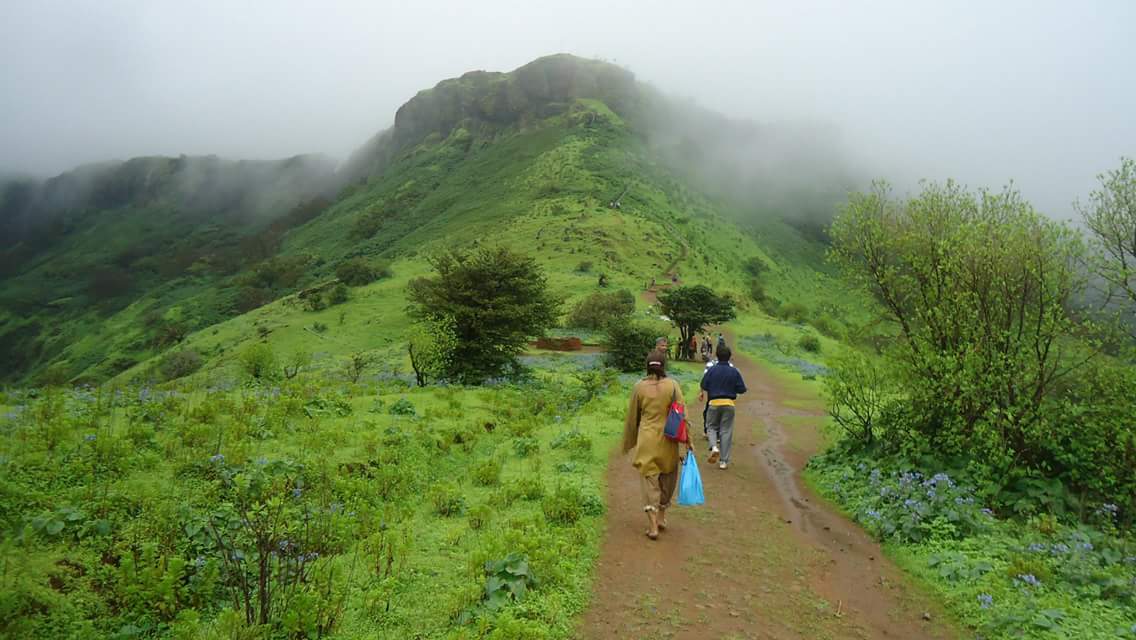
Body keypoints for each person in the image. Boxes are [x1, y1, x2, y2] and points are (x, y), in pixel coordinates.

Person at [622, 351, 694, 540]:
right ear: (664, 366)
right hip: (668, 439)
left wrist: (630, 441)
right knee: (668, 478)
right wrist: (688, 441)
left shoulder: (639, 387)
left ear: (647, 365)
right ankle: (661, 517)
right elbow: (683, 414)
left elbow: (632, 417)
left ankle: (653, 525)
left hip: (647, 439)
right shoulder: (673, 385)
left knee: (649, 481)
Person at [700, 345, 747, 470]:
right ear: (729, 356)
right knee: (726, 431)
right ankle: (723, 462)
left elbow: (704, 384)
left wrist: (713, 388)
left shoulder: (712, 370)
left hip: (714, 403)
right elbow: (742, 389)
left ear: (717, 355)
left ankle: (714, 447)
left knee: (711, 427)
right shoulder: (734, 371)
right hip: (729, 404)